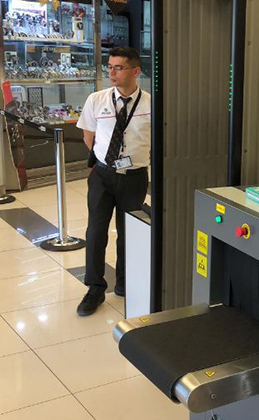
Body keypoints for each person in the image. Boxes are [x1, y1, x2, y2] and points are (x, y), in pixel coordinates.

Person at [75, 47, 151, 316]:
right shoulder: (97, 99)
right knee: (96, 231)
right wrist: (103, 161)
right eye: (110, 67)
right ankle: (95, 287)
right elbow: (88, 135)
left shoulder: (151, 104)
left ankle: (125, 282)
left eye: (118, 67)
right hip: (103, 175)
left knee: (128, 231)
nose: (112, 73)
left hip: (135, 177)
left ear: (136, 71)